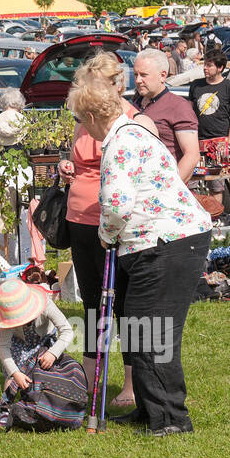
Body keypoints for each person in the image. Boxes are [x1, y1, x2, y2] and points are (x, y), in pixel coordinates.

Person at [68, 77, 212, 436]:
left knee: (153, 332)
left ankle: (171, 418)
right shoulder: (132, 131)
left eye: (80, 120)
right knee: (138, 327)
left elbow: (116, 204)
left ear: (90, 115)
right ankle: (149, 408)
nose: (81, 128)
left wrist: (105, 234)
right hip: (158, 241)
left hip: (168, 243)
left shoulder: (121, 141)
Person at [58, 52, 148, 408]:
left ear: (116, 84)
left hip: (115, 222)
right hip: (79, 218)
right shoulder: (86, 117)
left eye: (98, 83)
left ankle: (130, 383)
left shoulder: (132, 120)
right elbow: (78, 156)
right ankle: (90, 381)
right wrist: (68, 166)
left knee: (124, 303)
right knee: (92, 302)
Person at [0, 257, 83, 433]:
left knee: (43, 373)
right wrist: (15, 373)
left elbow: (67, 330)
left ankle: (42, 405)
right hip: (20, 343)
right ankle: (6, 409)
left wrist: (53, 353)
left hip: (43, 341)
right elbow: (3, 347)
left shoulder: (46, 303)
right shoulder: (8, 317)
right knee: (13, 374)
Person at [131, 49, 200, 182]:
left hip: (163, 190)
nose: (138, 80)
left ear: (163, 75)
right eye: (135, 75)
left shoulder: (178, 106)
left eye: (144, 75)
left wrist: (169, 188)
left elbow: (192, 155)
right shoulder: (134, 104)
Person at [188, 48, 230, 146]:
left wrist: (229, 143)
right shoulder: (195, 85)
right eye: (204, 64)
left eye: (209, 65)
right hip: (198, 140)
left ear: (220, 68)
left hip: (221, 140)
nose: (205, 68)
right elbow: (189, 114)